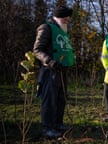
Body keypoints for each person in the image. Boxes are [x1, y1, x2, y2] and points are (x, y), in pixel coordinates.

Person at [33, 6, 74, 138]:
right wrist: (50, 62)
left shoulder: (62, 31)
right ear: (59, 17)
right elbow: (37, 50)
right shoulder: (46, 28)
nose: (68, 20)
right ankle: (47, 128)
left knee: (61, 99)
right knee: (49, 100)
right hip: (50, 71)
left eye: (68, 18)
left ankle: (58, 123)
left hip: (62, 71)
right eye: (66, 18)